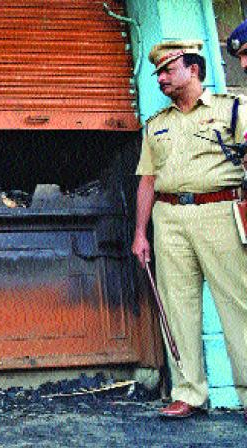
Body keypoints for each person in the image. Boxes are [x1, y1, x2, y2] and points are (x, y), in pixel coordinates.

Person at [131, 40, 247, 421]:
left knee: (238, 306)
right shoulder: (157, 125)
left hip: (220, 210)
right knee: (177, 307)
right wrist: (140, 233)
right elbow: (147, 180)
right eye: (158, 73)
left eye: (167, 70)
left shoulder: (232, 110)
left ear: (193, 68)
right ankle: (189, 392)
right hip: (169, 219)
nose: (161, 78)